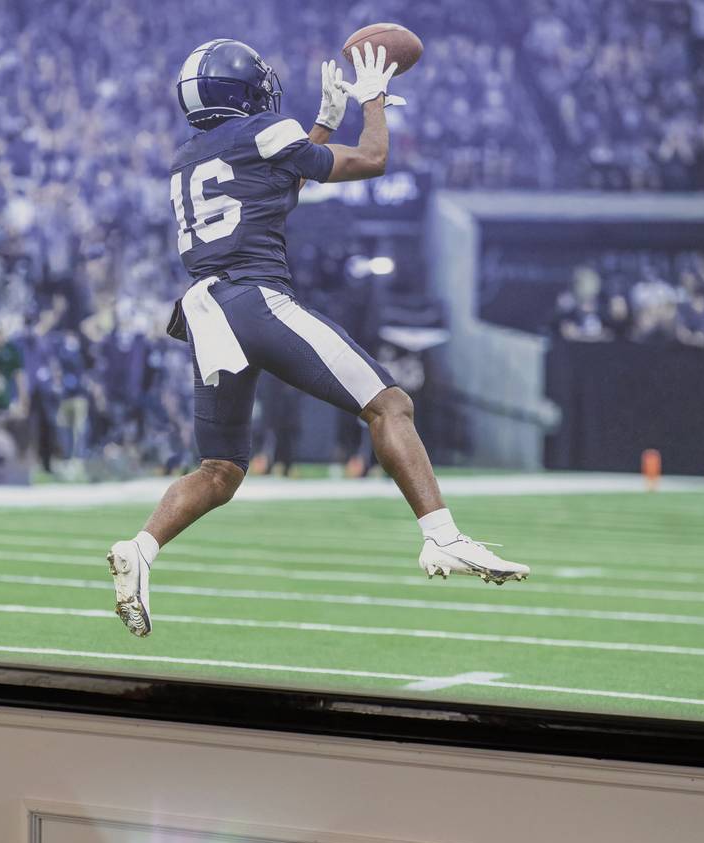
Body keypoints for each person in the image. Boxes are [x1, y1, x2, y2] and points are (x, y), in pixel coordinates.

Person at [107, 36, 525, 639]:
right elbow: (372, 160)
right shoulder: (264, 131)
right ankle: (442, 536)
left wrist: (324, 122)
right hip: (255, 299)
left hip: (207, 311)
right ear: (243, 91)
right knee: (390, 404)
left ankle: (141, 548)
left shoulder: (188, 157)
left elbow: (277, 188)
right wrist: (372, 101)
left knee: (220, 469)